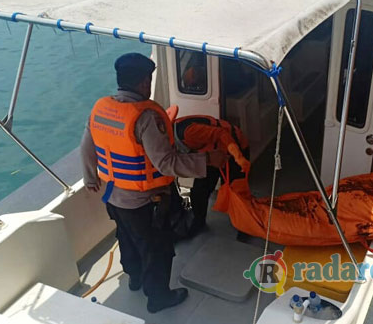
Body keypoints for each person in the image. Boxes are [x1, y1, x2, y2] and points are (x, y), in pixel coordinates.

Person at [80, 53, 227, 313]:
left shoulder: (100, 109)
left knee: (127, 238)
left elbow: (86, 148)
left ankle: (135, 279)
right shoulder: (146, 118)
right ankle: (158, 297)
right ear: (143, 83)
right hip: (145, 201)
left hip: (114, 197)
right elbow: (166, 163)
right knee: (157, 249)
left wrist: (91, 178)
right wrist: (207, 161)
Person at [174, 115, 250, 236]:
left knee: (237, 191)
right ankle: (198, 222)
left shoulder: (189, 133)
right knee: (199, 190)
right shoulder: (169, 136)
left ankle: (246, 227)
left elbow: (221, 133)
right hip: (211, 154)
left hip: (234, 147)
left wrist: (238, 157)